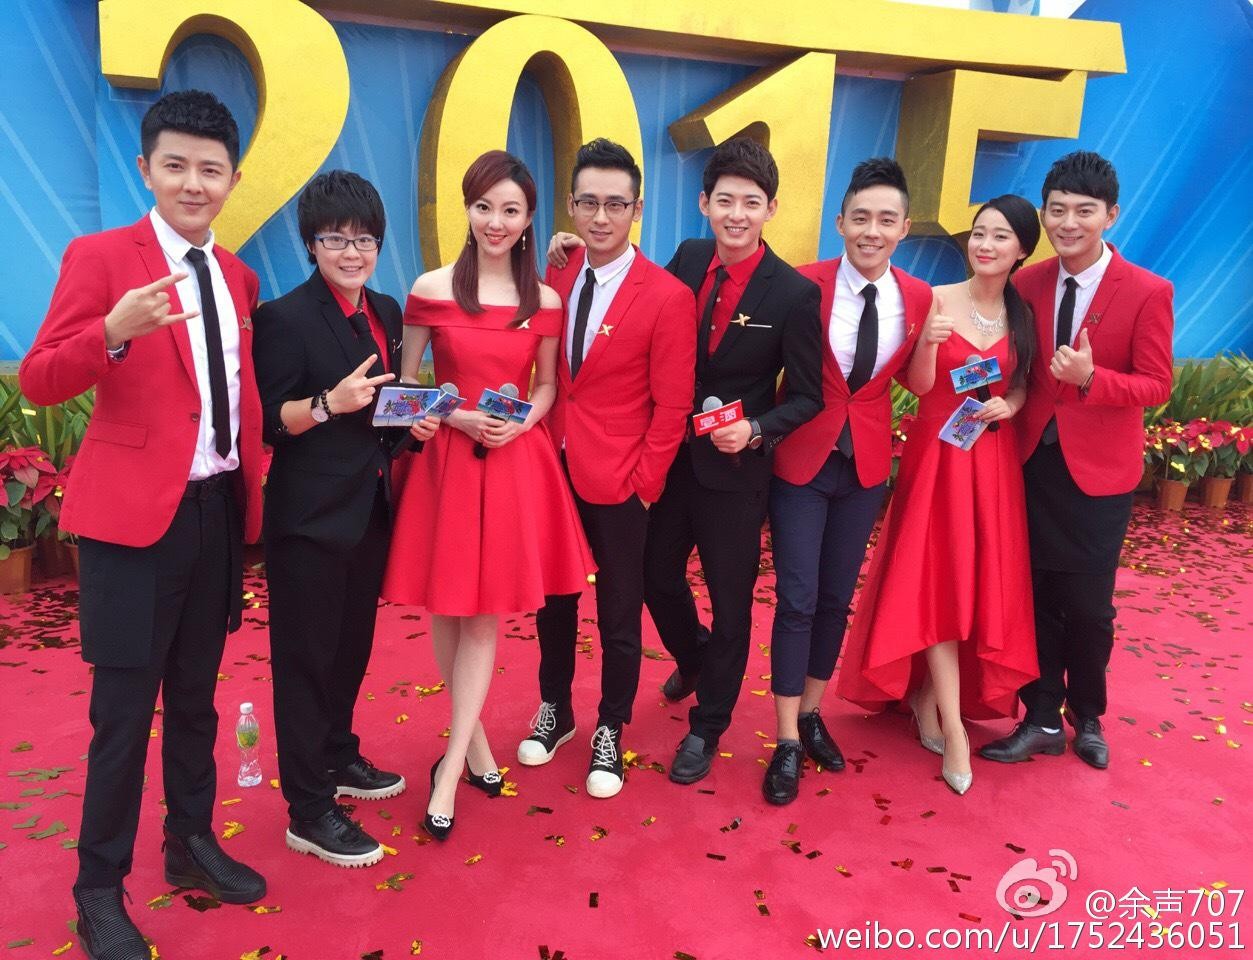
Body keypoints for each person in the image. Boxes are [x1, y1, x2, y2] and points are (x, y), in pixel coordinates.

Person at [19, 90, 266, 959]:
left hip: (214, 512)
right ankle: (98, 889)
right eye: (176, 166)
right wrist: (112, 334)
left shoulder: (237, 276)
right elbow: (40, 378)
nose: (194, 183)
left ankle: (189, 843)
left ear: (232, 179)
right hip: (131, 528)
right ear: (147, 171)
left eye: (211, 169)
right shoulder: (100, 258)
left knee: (196, 698)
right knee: (122, 716)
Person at [381, 150, 594, 839]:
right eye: (483, 207)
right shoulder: (430, 288)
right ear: (467, 211)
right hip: (447, 464)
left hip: (510, 464)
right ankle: (472, 747)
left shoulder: (546, 301)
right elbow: (403, 389)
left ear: (529, 219)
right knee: (448, 606)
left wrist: (521, 424)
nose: (495, 222)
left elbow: (545, 386)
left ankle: (448, 770)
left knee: (481, 615)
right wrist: (454, 416)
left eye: (510, 210)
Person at [253, 171, 433, 867]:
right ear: (311, 244)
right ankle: (307, 809)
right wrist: (330, 403)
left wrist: (415, 425)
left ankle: (337, 754)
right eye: (335, 240)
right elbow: (270, 423)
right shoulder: (285, 318)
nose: (351, 253)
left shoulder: (385, 309)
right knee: (305, 663)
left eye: (364, 240)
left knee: (351, 650)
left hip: (369, 511)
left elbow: (383, 410)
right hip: (308, 521)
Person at [837, 194, 1044, 795]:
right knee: (937, 584)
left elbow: (1023, 383)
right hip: (937, 461)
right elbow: (920, 385)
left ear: (1022, 250)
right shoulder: (933, 299)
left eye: (1000, 236)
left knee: (971, 587)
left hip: (991, 464)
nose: (985, 244)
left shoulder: (1022, 313)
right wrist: (927, 341)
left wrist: (1011, 405)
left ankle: (927, 699)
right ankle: (954, 729)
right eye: (978, 233)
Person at [980, 152, 1173, 770]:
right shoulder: (1027, 282)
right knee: (1033, 595)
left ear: (1110, 215)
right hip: (1029, 462)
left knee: (1088, 606)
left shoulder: (1147, 291)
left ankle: (1087, 715)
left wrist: (1092, 379)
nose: (1068, 223)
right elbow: (1014, 364)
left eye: (1083, 211)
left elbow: (1156, 384)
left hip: (1099, 473)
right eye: (1057, 209)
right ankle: (1039, 716)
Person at [517, 139, 696, 798]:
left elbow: (673, 405)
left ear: (636, 210)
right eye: (588, 202)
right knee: (553, 601)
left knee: (619, 612)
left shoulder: (668, 296)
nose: (601, 216)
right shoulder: (559, 274)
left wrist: (645, 485)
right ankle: (555, 708)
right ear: (571, 205)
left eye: (615, 204)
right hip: (553, 465)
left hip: (622, 480)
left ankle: (610, 729)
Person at [643, 137, 824, 785]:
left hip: (735, 474)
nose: (736, 214)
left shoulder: (793, 294)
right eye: (725, 200)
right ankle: (694, 659)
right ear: (704, 203)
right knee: (653, 575)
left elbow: (807, 395)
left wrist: (754, 431)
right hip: (671, 458)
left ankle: (707, 725)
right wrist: (572, 257)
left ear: (770, 209)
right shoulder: (689, 258)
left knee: (730, 603)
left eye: (750, 202)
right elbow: (642, 309)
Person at [763, 158, 933, 805]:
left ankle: (811, 714)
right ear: (840, 222)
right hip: (801, 461)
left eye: (886, 220)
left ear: (904, 228)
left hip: (864, 465)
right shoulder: (802, 285)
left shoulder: (918, 298)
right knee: (797, 598)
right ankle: (785, 738)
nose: (872, 231)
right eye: (860, 217)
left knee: (835, 598)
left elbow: (916, 379)